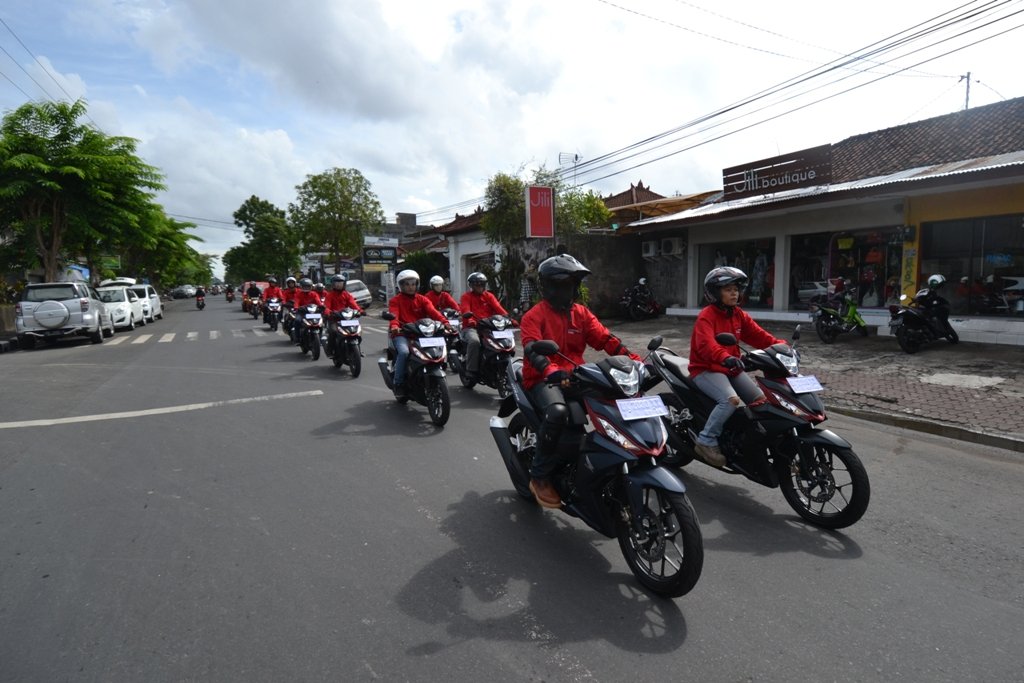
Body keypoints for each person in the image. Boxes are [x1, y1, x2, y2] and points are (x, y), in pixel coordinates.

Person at [519, 254, 641, 509]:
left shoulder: (581, 314)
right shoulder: (534, 316)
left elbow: (604, 339)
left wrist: (635, 360)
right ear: (549, 286)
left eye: (572, 284)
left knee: (616, 401)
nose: (570, 290)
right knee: (557, 411)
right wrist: (550, 370)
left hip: (575, 375)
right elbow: (532, 349)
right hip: (542, 378)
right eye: (564, 284)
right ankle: (539, 476)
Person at [689, 266, 785, 468]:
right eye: (728, 289)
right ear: (715, 293)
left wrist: (782, 347)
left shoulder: (738, 314)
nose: (734, 293)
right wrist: (726, 357)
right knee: (730, 400)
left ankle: (746, 436)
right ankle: (706, 440)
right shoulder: (706, 316)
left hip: (730, 368)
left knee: (761, 401)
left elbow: (759, 336)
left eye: (736, 289)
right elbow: (706, 345)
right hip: (705, 369)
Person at [387, 269, 450, 399]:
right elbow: (394, 315)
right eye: (407, 284)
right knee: (404, 352)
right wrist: (394, 326)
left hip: (422, 334)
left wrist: (445, 322)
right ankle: (398, 383)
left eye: (413, 284)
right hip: (402, 334)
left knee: (439, 348)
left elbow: (433, 312)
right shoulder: (395, 300)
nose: (410, 287)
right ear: (401, 286)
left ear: (417, 284)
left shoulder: (422, 299)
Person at [459, 272, 509, 382]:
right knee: (474, 341)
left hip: (489, 327)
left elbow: (498, 308)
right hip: (471, 327)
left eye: (482, 284)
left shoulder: (489, 296)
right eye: (477, 284)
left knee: (504, 339)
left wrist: (508, 318)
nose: (480, 286)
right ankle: (471, 369)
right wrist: (471, 320)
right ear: (471, 285)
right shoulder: (466, 297)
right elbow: (465, 309)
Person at [323, 274, 363, 357]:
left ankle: (358, 349)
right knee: (333, 331)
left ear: (344, 284)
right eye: (336, 283)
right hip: (335, 319)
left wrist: (360, 311)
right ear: (333, 284)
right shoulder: (329, 295)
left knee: (356, 331)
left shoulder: (347, 294)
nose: (338, 285)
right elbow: (326, 307)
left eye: (340, 283)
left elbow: (353, 304)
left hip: (347, 319)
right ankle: (330, 350)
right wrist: (328, 312)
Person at [290, 277, 322, 343]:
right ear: (301, 286)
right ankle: (297, 338)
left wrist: (321, 306)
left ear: (311, 286)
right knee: (297, 320)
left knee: (321, 322)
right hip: (302, 312)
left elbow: (318, 302)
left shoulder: (314, 294)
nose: (306, 288)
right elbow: (296, 302)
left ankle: (320, 337)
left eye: (308, 286)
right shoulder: (298, 294)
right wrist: (296, 307)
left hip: (313, 312)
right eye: (305, 286)